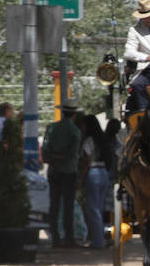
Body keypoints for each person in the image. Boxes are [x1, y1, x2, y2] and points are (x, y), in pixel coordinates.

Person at [42, 96, 83, 248]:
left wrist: (53, 158)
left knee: (54, 205)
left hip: (53, 171)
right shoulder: (75, 131)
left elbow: (45, 151)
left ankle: (55, 237)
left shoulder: (51, 128)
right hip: (69, 172)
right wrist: (62, 157)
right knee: (68, 206)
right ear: (74, 114)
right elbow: (73, 154)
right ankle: (69, 237)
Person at [77, 113, 112, 249]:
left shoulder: (88, 141)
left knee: (93, 209)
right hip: (104, 173)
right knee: (100, 209)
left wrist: (80, 178)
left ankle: (98, 242)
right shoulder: (102, 140)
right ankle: (100, 238)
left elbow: (86, 161)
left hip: (93, 173)